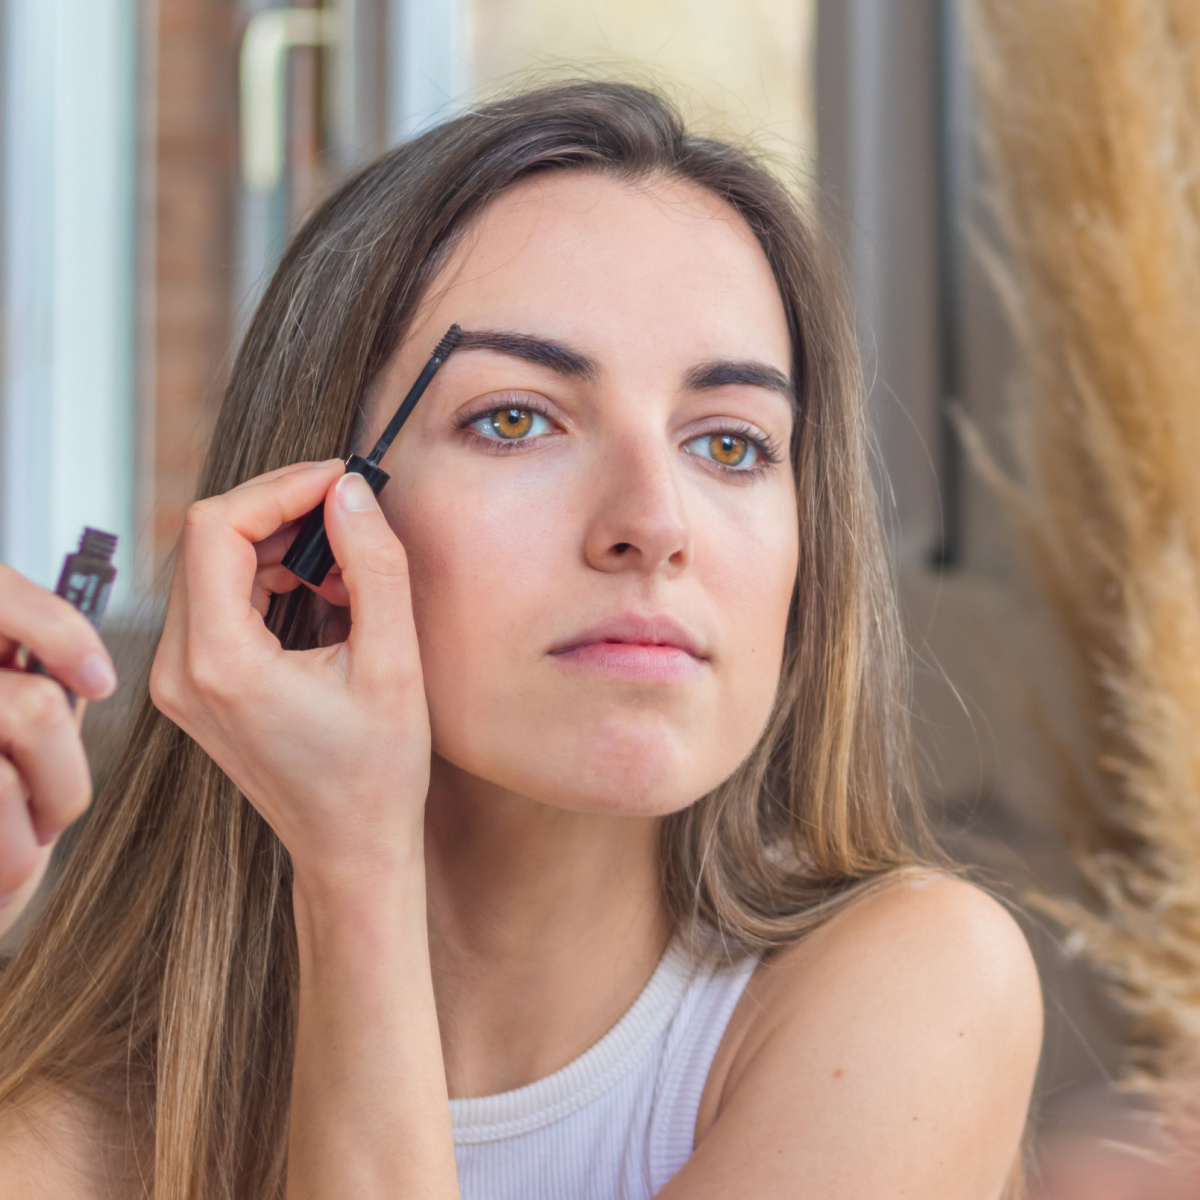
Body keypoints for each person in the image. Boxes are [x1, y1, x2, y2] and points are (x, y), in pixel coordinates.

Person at [0, 82, 1041, 1199]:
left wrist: (356, 869)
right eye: (515, 419)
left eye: (731, 444)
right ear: (310, 526)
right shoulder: (109, 1101)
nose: (653, 524)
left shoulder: (918, 989)